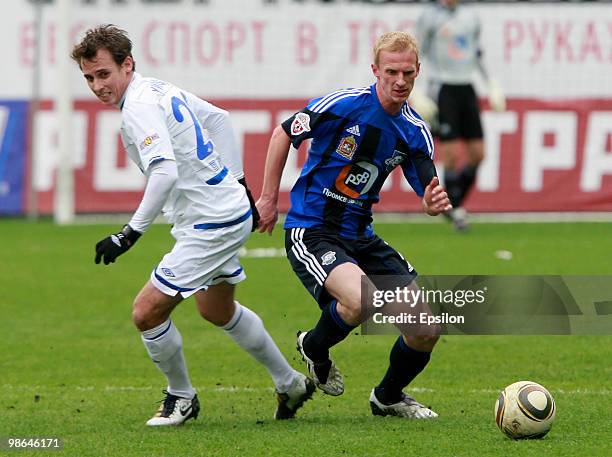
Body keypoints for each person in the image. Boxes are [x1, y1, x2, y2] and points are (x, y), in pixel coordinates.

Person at [71, 25, 314, 426]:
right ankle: (290, 384)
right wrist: (239, 185)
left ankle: (181, 398)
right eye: (89, 78)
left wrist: (128, 234)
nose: (97, 86)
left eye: (104, 74)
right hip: (222, 211)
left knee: (146, 313)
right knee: (217, 309)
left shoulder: (137, 109)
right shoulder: (158, 89)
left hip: (211, 223)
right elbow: (219, 119)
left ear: (127, 65)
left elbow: (163, 172)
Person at [256, 31, 451, 418]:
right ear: (375, 70)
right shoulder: (343, 105)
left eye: (408, 73)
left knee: (426, 329)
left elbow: (427, 188)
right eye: (391, 71)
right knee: (359, 299)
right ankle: (314, 347)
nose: (400, 81)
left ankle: (389, 397)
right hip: (312, 229)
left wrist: (432, 202)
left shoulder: (414, 131)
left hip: (361, 236)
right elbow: (283, 133)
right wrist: (267, 198)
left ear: (418, 72)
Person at [412, 0, 506, 231]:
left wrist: (492, 84)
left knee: (478, 153)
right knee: (451, 154)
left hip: (466, 87)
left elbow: (477, 53)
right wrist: (416, 91)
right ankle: (456, 211)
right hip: (443, 88)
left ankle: (454, 204)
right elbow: (416, 54)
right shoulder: (429, 17)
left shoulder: (470, 16)